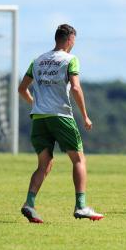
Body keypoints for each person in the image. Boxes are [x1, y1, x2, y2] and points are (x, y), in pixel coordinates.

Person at [18, 24, 103, 223]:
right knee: (79, 160)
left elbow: (22, 88)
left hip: (39, 118)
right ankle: (81, 206)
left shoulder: (37, 60)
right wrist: (85, 115)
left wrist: (36, 104)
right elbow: (75, 87)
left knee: (44, 164)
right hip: (61, 116)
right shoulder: (70, 59)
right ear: (69, 39)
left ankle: (29, 203)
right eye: (74, 40)